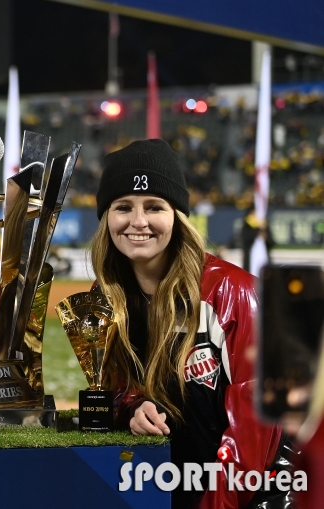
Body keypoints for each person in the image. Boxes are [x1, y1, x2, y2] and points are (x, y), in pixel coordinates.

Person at [89, 139, 286, 509]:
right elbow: (113, 389)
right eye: (123, 207)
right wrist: (133, 407)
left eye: (154, 207)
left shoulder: (233, 291)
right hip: (172, 484)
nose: (138, 222)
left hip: (255, 491)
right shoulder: (104, 295)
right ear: (106, 217)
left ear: (177, 217)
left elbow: (254, 430)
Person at [240, 205, 275, 275]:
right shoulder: (247, 226)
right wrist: (256, 232)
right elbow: (245, 240)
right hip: (250, 262)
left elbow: (272, 242)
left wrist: (266, 237)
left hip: (264, 261)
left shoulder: (264, 227)